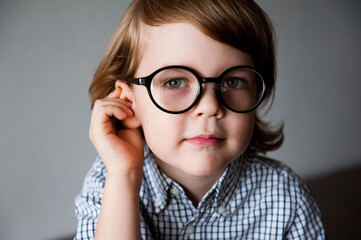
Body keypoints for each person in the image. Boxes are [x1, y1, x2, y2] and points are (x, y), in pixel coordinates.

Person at [74, 0, 325, 239]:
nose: (209, 106)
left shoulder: (287, 197)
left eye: (233, 81)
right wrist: (125, 175)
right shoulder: (109, 184)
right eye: (175, 82)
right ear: (130, 101)